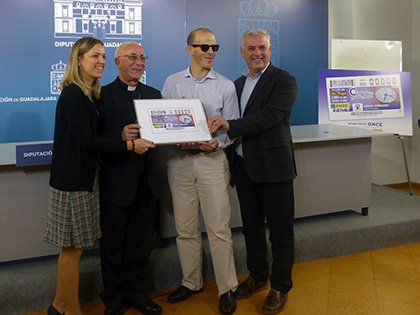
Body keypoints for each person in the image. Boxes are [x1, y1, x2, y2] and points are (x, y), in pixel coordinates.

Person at [43, 37, 153, 315]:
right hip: (76, 182)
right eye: (95, 56)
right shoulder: (77, 94)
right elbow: (88, 142)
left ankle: (61, 306)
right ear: (78, 59)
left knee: (75, 249)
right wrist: (128, 144)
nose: (100, 61)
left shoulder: (89, 93)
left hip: (90, 180)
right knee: (73, 250)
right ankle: (70, 308)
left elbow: (91, 136)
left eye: (102, 55)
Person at [208, 29, 298, 315]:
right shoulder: (236, 84)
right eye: (251, 48)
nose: (257, 53)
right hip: (244, 168)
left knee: (281, 232)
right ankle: (258, 277)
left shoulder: (284, 80)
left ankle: (280, 287)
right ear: (242, 51)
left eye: (262, 48)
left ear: (270, 50)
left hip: (274, 168)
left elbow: (270, 116)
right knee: (251, 229)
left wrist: (229, 125)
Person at [162, 28, 239, 315]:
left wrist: (216, 141)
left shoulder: (225, 86)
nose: (210, 52)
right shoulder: (171, 83)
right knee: (185, 229)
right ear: (190, 49)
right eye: (204, 47)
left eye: (214, 47)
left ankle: (226, 288)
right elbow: (163, 123)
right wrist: (174, 137)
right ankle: (191, 282)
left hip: (212, 162)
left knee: (219, 229)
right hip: (179, 162)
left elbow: (232, 130)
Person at [97, 42, 165, 315]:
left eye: (143, 58)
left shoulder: (154, 94)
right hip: (115, 183)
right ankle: (113, 299)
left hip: (148, 182)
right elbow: (93, 139)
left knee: (141, 244)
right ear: (118, 61)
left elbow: (162, 133)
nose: (139, 63)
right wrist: (119, 136)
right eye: (133, 57)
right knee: (112, 245)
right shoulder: (100, 95)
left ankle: (138, 295)